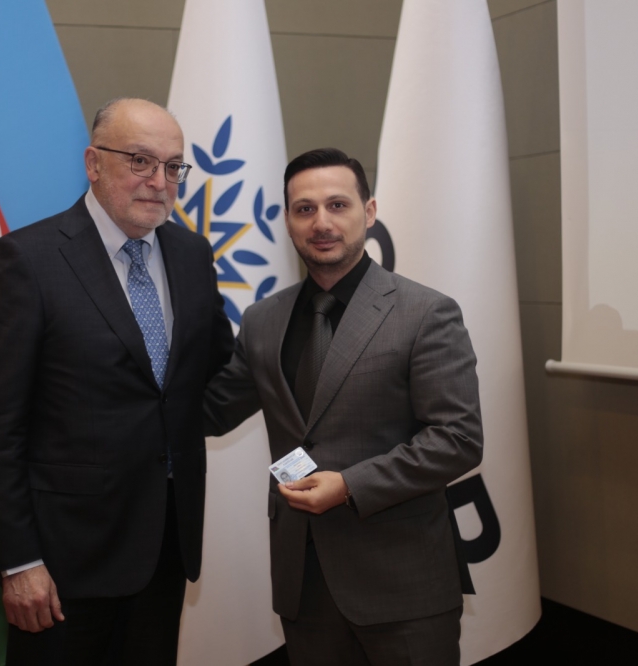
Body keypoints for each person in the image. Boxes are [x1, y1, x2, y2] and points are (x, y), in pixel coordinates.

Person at [0, 98, 234, 665]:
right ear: (93, 163)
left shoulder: (191, 254)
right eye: (140, 161)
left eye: (173, 166)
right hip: (64, 560)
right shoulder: (28, 260)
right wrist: (18, 560)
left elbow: (212, 372)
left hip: (164, 545)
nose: (159, 182)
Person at [204, 148, 483, 665]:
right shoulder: (263, 320)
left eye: (337, 205)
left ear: (369, 212)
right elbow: (211, 411)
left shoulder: (426, 312)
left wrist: (350, 485)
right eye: (304, 209)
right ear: (287, 220)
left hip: (403, 585)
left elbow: (458, 440)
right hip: (303, 582)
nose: (321, 223)